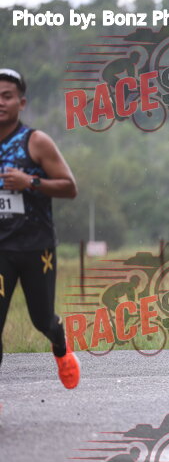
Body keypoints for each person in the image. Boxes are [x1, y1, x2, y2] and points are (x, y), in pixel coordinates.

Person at [0, 69, 80, 388]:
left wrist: (29, 182)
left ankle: (60, 345)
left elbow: (69, 187)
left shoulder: (35, 142)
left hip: (36, 248)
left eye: (6, 96)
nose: (0, 102)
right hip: (1, 250)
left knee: (41, 319)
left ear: (21, 103)